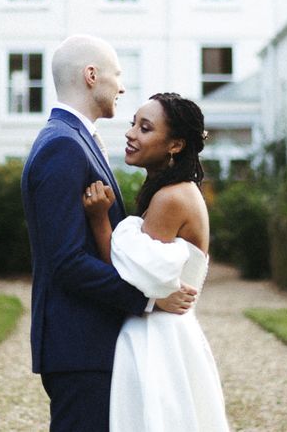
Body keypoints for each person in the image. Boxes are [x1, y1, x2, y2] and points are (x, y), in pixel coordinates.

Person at [21, 35, 196, 432]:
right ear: (91, 75)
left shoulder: (75, 140)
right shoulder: (62, 146)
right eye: (117, 74)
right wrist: (150, 299)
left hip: (89, 343)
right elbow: (67, 262)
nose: (121, 85)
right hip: (79, 345)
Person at [83, 92, 229, 431]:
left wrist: (98, 219)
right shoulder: (175, 190)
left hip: (159, 338)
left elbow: (125, 270)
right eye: (134, 123)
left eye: (145, 128)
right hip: (169, 331)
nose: (131, 133)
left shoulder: (171, 198)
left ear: (175, 144)